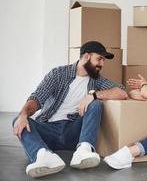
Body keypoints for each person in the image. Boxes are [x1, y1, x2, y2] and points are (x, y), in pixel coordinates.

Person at [12, 41, 127, 177]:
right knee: (18, 120)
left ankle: (84, 150)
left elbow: (122, 92)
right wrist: (24, 114)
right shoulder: (58, 74)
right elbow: (37, 98)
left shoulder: (97, 80)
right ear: (86, 56)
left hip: (75, 132)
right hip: (49, 130)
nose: (102, 64)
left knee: (95, 104)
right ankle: (44, 156)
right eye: (99, 59)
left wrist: (94, 95)